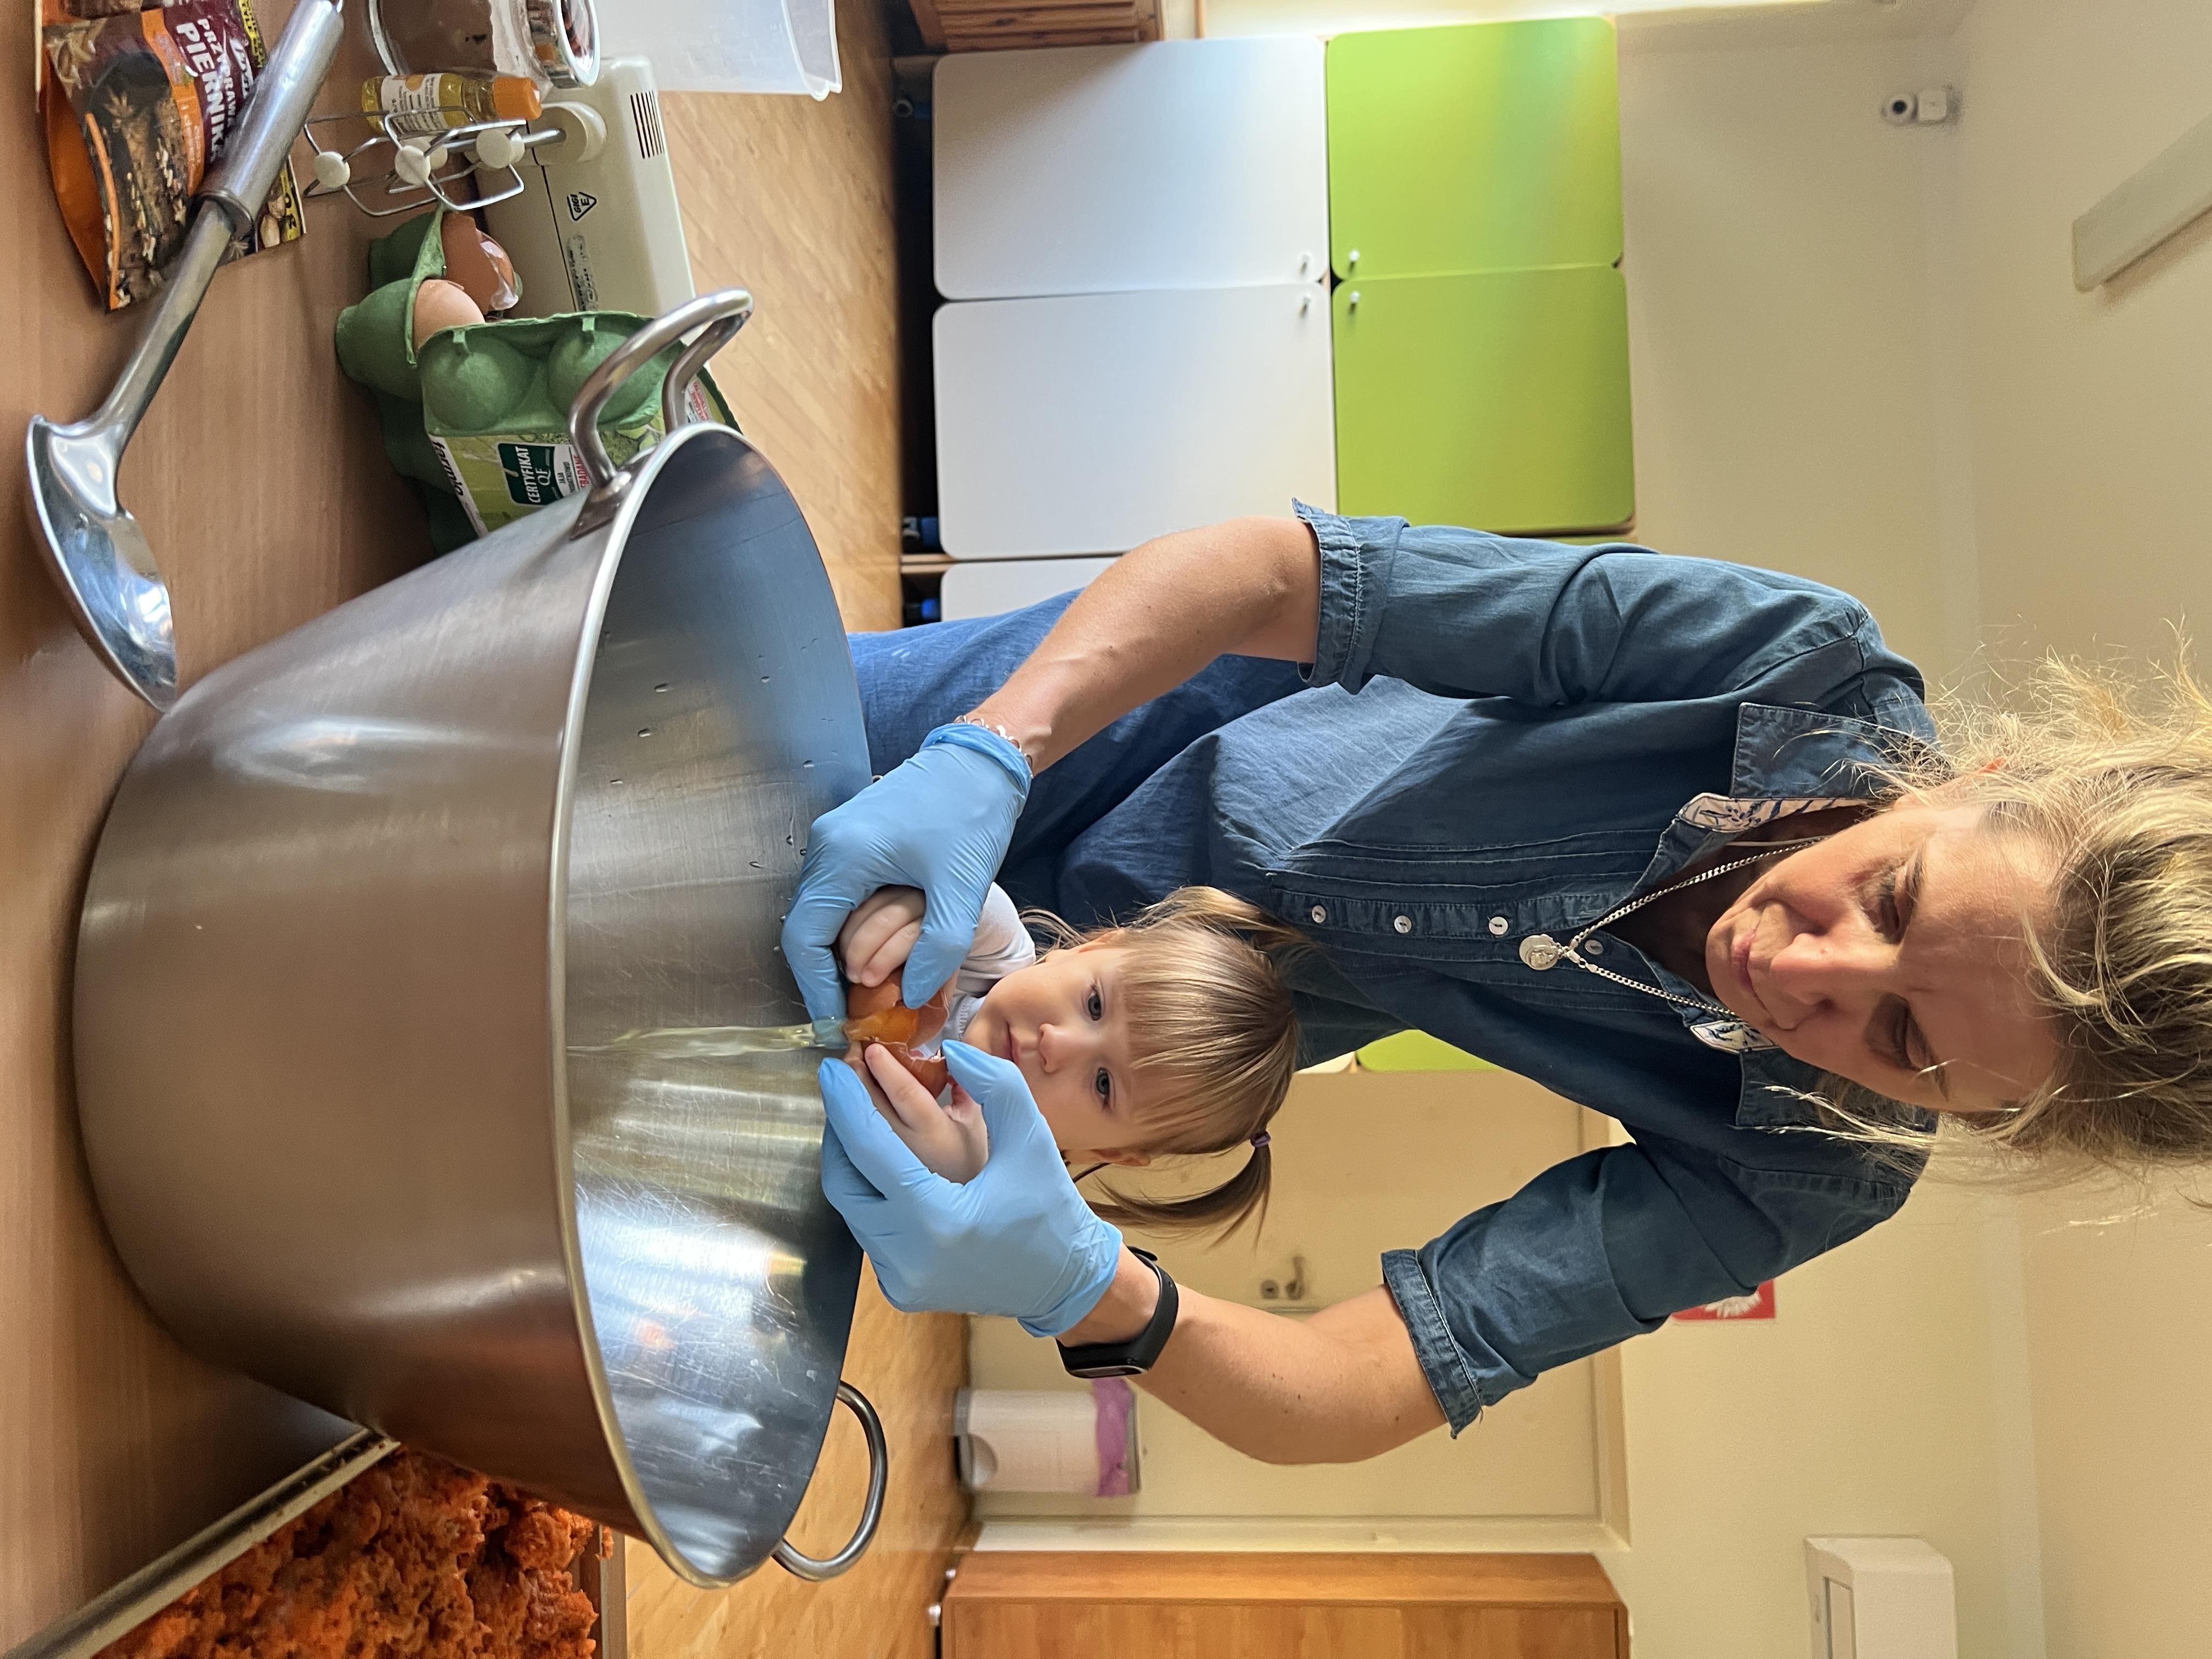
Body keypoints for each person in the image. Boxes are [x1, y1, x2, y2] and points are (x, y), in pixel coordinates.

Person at [785, 504, 2212, 1464]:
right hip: (1104, 716)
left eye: (1900, 1039)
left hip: (1113, 1016)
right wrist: (992, 751)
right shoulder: (1796, 667)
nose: (1798, 964)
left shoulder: (1813, 1165)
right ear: (1977, 781)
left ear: (1975, 1114)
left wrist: (1089, 1287)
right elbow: (1277, 573)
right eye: (1894, 897)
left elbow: (1363, 1384)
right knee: (714, 782)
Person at [838, 880, 1306, 1235]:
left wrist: (954, 1177)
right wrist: (924, 903)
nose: (1056, 1045)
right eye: (1095, 1004)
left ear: (1105, 1152)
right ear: (1090, 948)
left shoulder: (983, 1177)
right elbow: (965, 896)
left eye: (1104, 1084)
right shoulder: (991, 952)